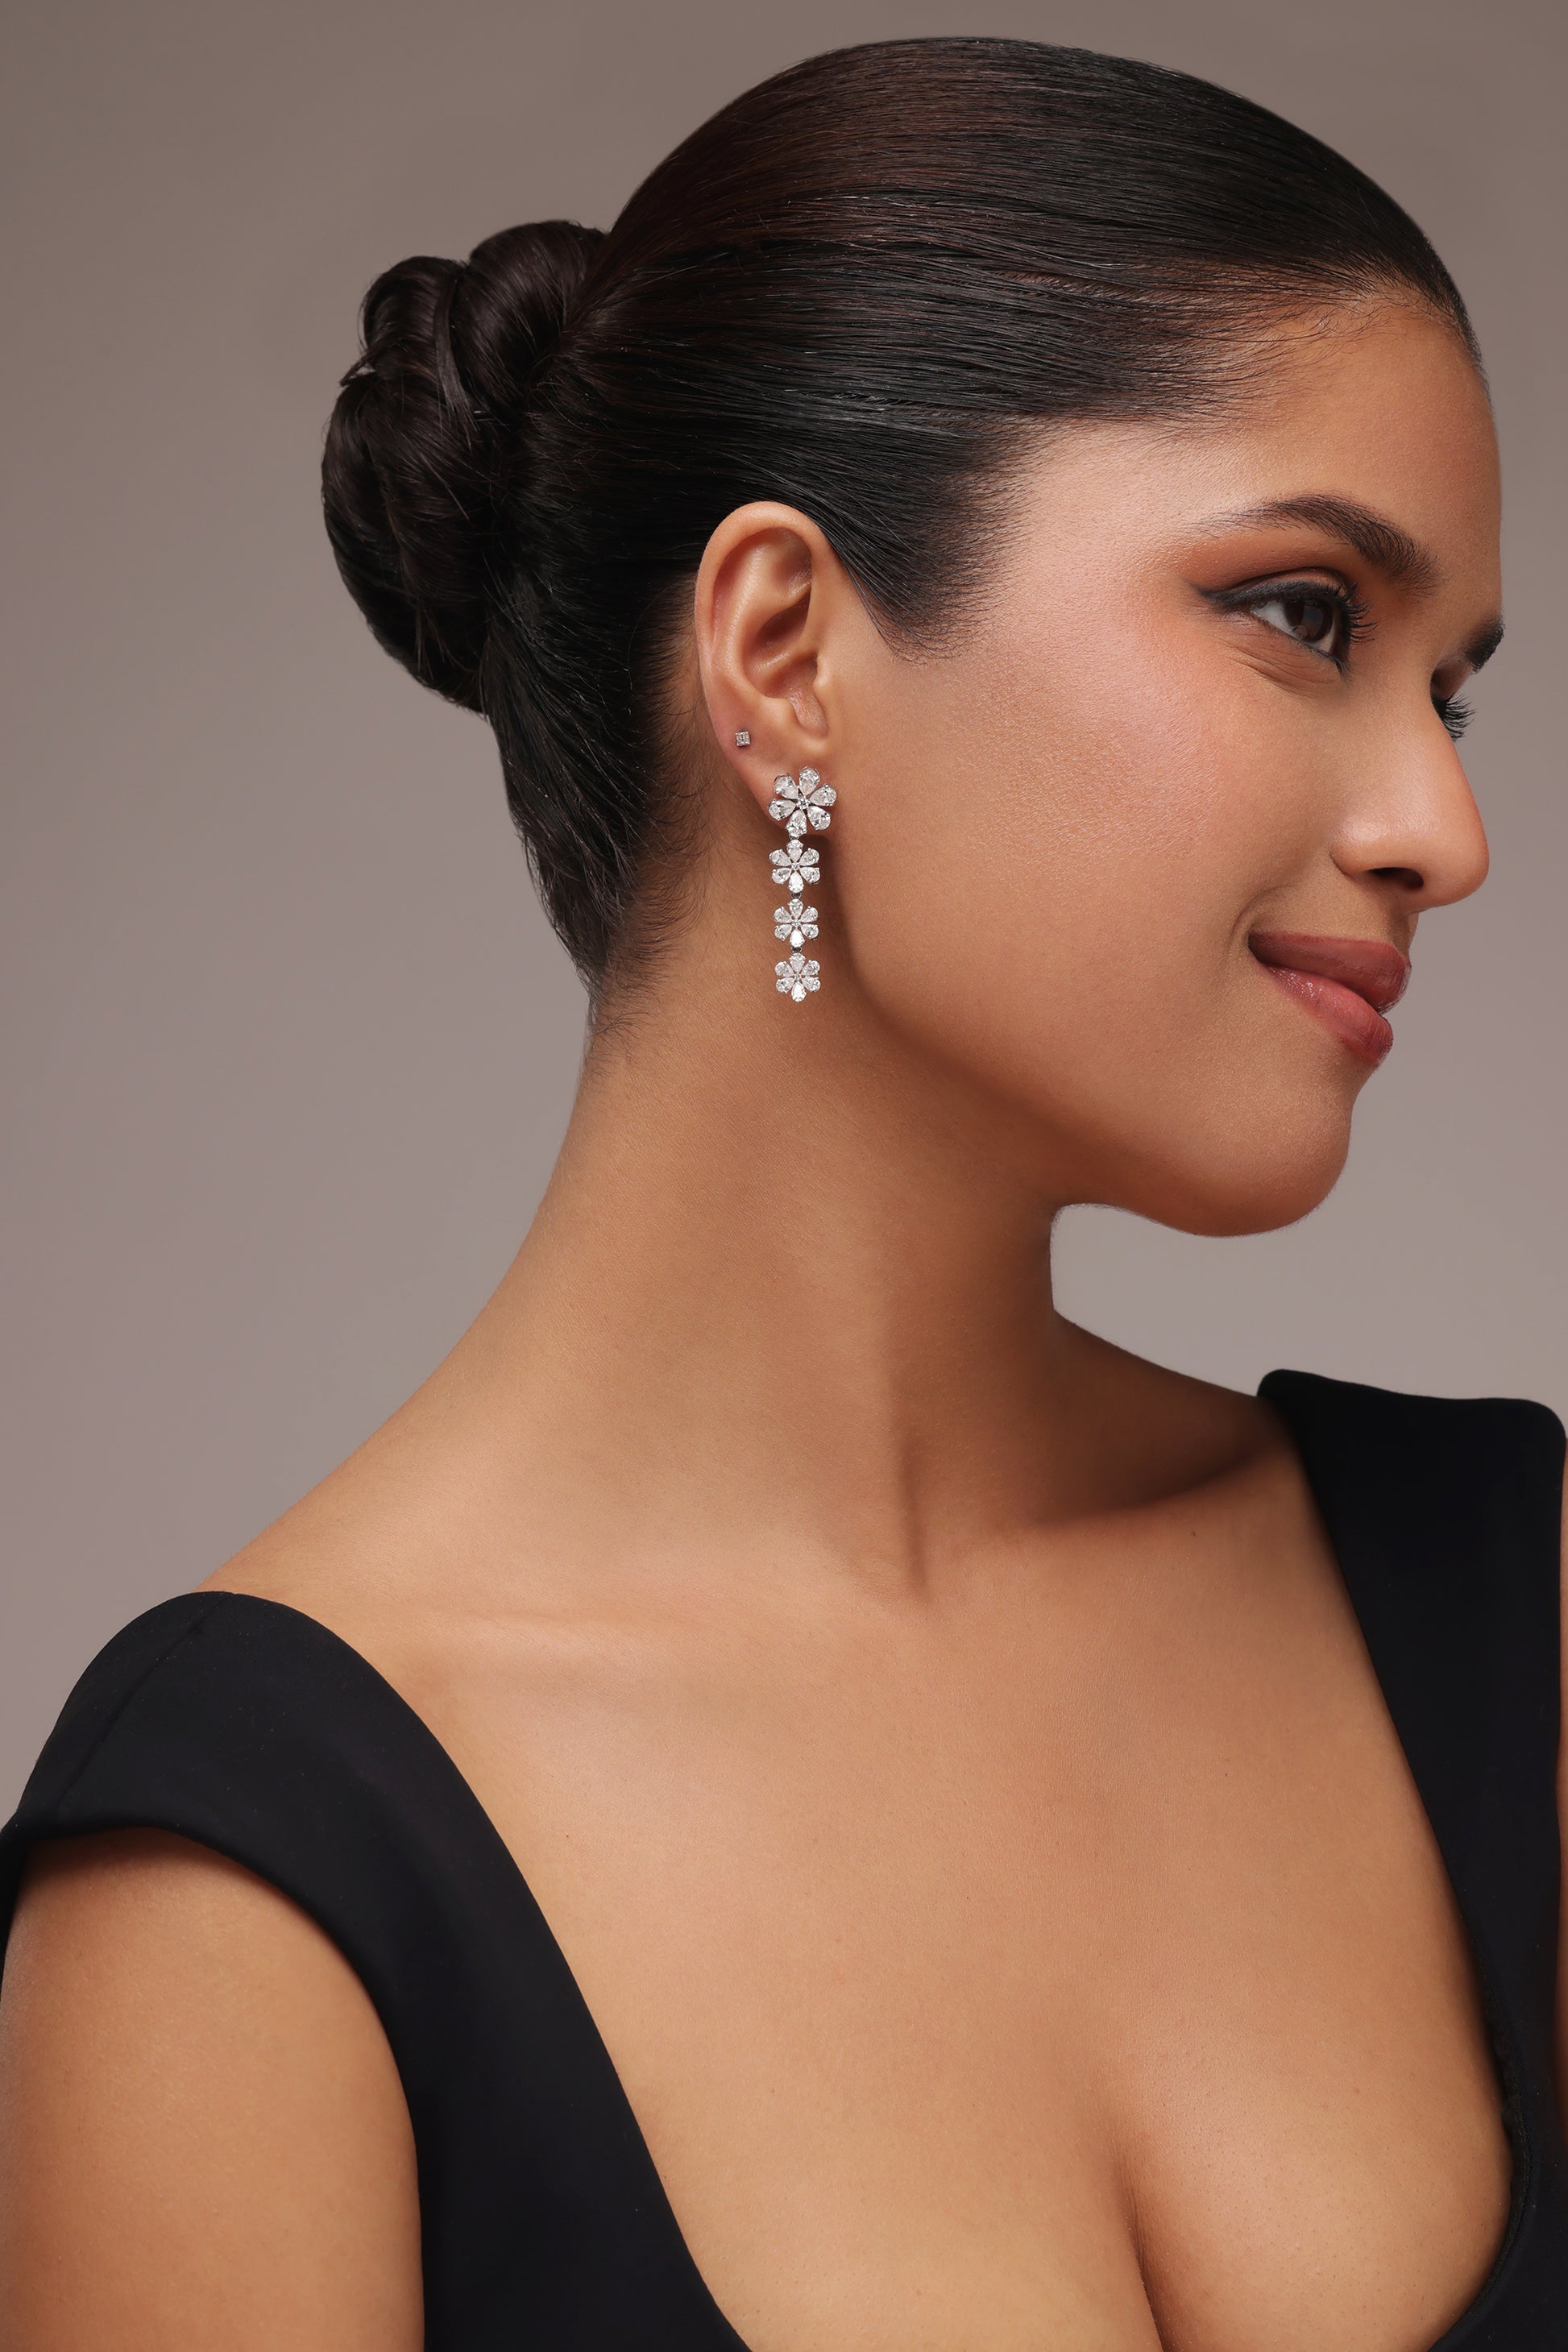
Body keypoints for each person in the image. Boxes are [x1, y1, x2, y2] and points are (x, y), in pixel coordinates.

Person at [1, 35, 1562, 2351]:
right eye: (1307, 616)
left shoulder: (1516, 1605)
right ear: (783, 650)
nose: (1442, 827)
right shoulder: (246, 1907)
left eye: (1453, 687)